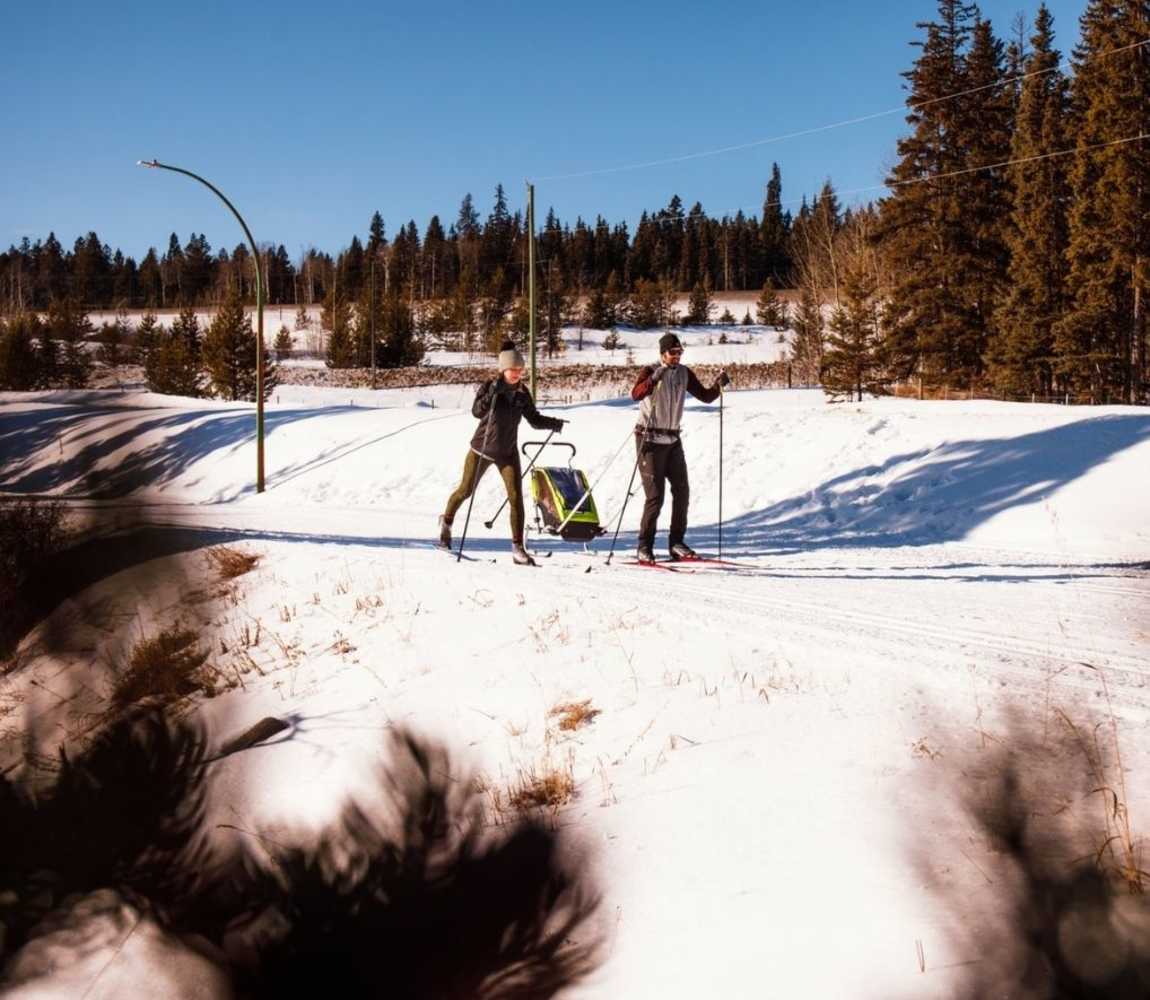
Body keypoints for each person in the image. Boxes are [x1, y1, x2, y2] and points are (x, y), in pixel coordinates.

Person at [439, 340, 566, 566]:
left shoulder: (522, 393)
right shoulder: (491, 386)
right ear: (503, 369)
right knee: (465, 490)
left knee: (516, 498)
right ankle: (446, 521)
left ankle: (518, 548)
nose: (517, 373)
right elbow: (477, 412)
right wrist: (491, 396)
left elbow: (534, 420)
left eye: (520, 370)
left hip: (508, 452)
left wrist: (552, 423)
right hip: (482, 449)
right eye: (513, 369)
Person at [630, 332, 730, 563]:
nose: (677, 357)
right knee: (655, 497)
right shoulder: (650, 371)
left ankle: (676, 543)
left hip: (673, 440)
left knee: (682, 492)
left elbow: (705, 396)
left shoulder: (684, 373)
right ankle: (644, 546)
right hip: (649, 440)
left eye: (679, 353)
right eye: (673, 353)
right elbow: (635, 394)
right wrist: (654, 379)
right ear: (662, 354)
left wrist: (718, 385)